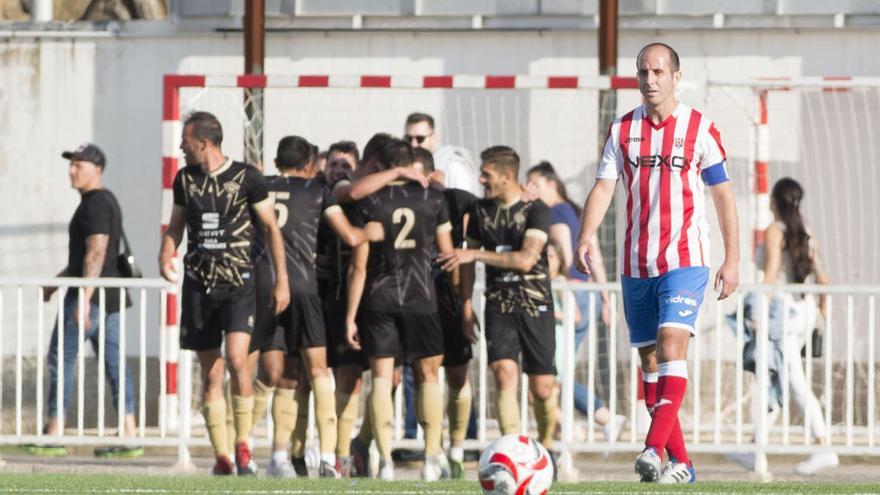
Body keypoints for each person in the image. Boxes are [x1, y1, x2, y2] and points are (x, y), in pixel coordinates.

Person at [574, 42, 739, 484]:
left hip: (686, 259)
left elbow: (722, 194)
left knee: (670, 345)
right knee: (649, 363)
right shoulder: (622, 130)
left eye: (659, 72)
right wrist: (586, 234)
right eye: (643, 72)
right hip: (636, 263)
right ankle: (681, 463)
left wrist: (733, 257)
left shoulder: (700, 129)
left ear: (676, 77)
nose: (650, 80)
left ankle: (652, 448)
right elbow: (605, 187)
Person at [159, 111, 290, 476]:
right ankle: (222, 456)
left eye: (184, 142)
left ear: (204, 142)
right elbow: (176, 227)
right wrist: (165, 249)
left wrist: (282, 281)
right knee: (211, 372)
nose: (181, 148)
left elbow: (271, 229)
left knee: (237, 358)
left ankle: (244, 446)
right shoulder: (185, 179)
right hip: (200, 286)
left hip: (239, 284)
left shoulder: (248, 178)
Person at [248, 136, 373, 478]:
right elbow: (349, 236)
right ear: (310, 164)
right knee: (319, 371)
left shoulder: (258, 186)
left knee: (277, 375)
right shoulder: (318, 192)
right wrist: (371, 233)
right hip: (304, 286)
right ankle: (331, 458)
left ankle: (269, 456)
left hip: (264, 285)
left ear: (276, 160)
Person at [345, 138, 455, 481]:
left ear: (384, 166)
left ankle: (385, 462)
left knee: (380, 377)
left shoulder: (373, 200)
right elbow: (447, 253)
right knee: (428, 375)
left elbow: (359, 266)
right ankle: (432, 459)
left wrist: (351, 316)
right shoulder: (434, 198)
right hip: (422, 297)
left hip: (381, 297)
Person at [439, 146, 559, 453]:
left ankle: (546, 450)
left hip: (536, 304)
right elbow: (466, 264)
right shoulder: (480, 211)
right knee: (504, 374)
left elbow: (526, 260)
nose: (481, 179)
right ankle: (515, 451)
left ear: (507, 177)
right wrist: (466, 306)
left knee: (543, 389)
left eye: (487, 174)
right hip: (498, 305)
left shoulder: (537, 210)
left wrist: (475, 253)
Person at [726, 177, 838, 475]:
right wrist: (824, 305)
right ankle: (756, 450)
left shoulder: (775, 230)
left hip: (782, 313)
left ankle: (822, 444)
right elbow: (823, 278)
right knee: (777, 378)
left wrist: (759, 309)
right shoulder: (806, 232)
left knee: (789, 380)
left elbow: (772, 271)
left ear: (775, 201)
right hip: (803, 311)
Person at [37, 143, 140, 458]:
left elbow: (96, 251)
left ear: (98, 169)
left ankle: (55, 431)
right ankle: (129, 431)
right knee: (114, 363)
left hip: (91, 299)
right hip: (108, 298)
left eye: (79, 165)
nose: (72, 170)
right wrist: (56, 283)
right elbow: (90, 256)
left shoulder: (94, 204)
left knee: (61, 358)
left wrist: (83, 298)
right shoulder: (102, 202)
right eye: (71, 164)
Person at [524, 161, 625, 441]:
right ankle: (582, 422)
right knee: (555, 369)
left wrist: (560, 286)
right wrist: (605, 298)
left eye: (536, 184)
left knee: (551, 370)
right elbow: (595, 255)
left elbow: (567, 257)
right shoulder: (574, 211)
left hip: (570, 295)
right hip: (589, 292)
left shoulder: (555, 213)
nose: (530, 189)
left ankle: (595, 418)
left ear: (551, 184)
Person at [404, 112, 479, 195]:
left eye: (420, 138)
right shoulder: (405, 164)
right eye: (408, 138)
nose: (413, 144)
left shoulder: (452, 166)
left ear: (433, 137)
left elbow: (464, 201)